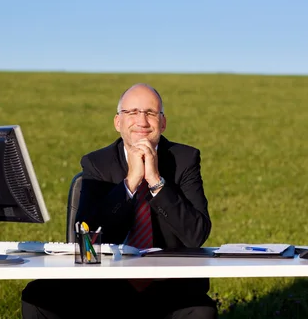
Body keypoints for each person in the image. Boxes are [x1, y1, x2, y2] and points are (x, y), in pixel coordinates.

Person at [21, 83, 217, 319]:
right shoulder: (97, 163)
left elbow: (196, 235)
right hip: (106, 284)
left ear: (162, 123)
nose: (142, 122)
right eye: (132, 112)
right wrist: (130, 183)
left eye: (150, 113)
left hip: (169, 285)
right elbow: (87, 238)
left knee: (201, 311)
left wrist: (155, 181)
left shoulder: (184, 159)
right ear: (118, 123)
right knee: (38, 296)